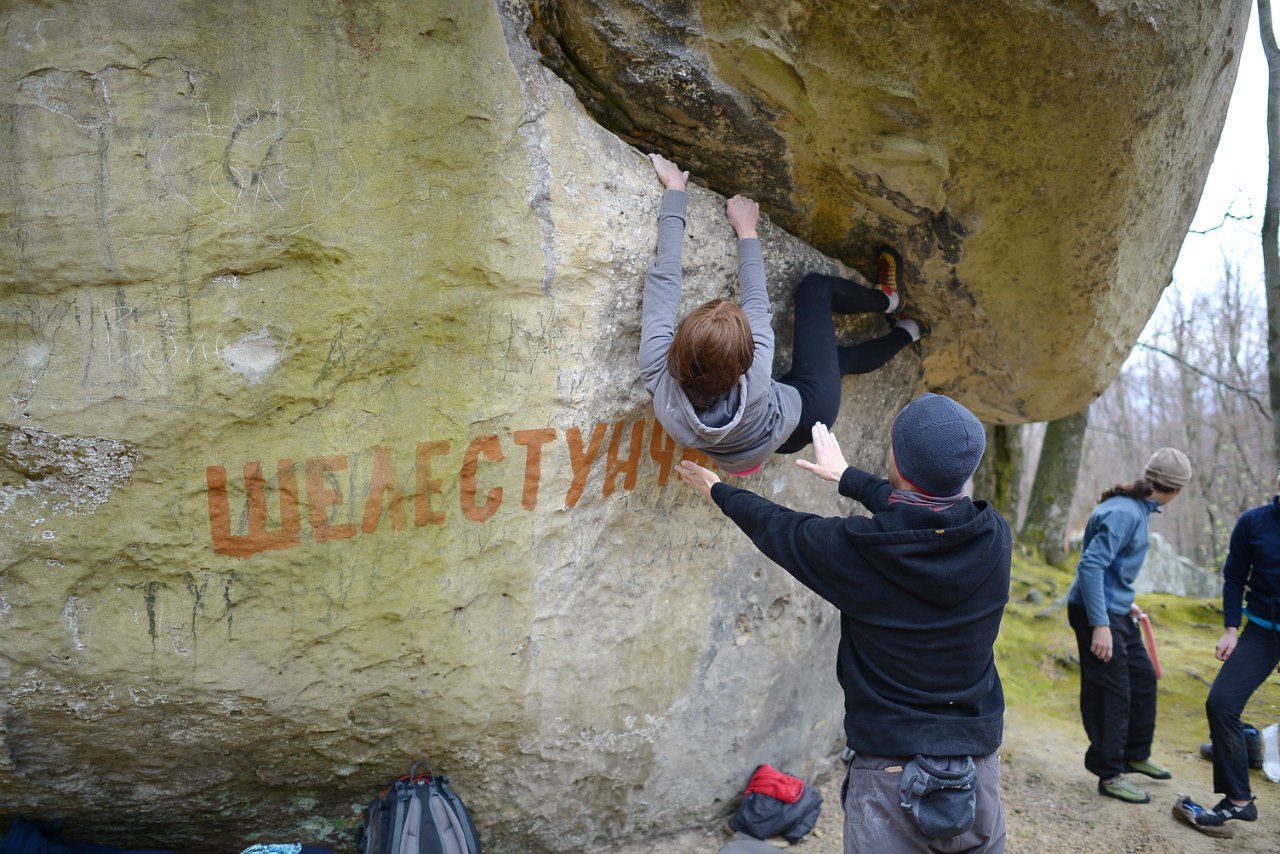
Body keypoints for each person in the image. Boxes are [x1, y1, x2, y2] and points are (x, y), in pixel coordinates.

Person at [676, 393, 1012, 853]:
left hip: (891, 771)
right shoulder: (993, 538)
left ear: (896, 457)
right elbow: (923, 514)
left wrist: (719, 490)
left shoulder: (862, 554)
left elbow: (782, 528)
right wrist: (849, 479)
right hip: (978, 764)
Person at [641, 153, 925, 477]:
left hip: (764, 441)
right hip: (809, 412)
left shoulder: (657, 369)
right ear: (745, 362)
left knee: (834, 360)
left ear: (677, 347)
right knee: (816, 289)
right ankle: (887, 302)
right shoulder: (758, 371)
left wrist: (676, 189)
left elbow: (664, 281)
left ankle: (911, 329)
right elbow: (756, 301)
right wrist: (746, 229)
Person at [1065, 447, 1192, 804]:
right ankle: (1109, 774)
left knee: (1142, 676)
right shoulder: (1125, 512)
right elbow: (1090, 567)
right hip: (1096, 613)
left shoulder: (1137, 507)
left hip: (1115, 609)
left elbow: (1110, 568)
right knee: (1111, 693)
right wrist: (1101, 624)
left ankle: (1135, 753)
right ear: (1175, 490)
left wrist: (1123, 601)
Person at [1174, 471, 1280, 836]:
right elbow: (1235, 575)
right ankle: (1239, 801)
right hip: (1263, 631)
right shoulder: (1254, 522)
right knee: (1220, 703)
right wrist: (1231, 629)